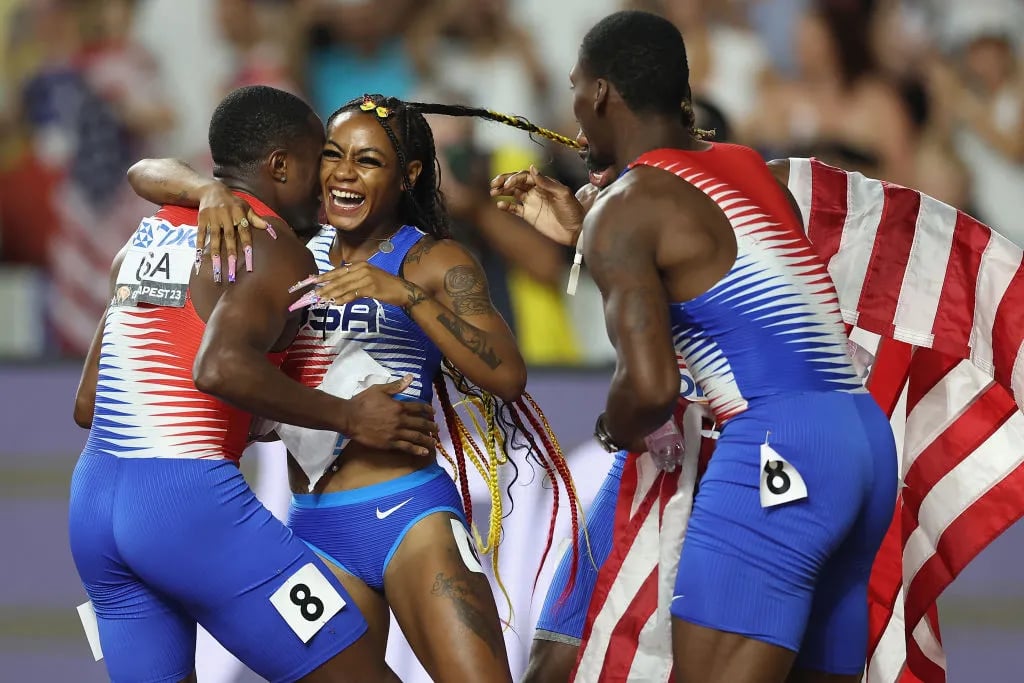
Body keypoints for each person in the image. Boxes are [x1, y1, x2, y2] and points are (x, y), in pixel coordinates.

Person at [495, 11, 898, 683]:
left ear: (598, 95)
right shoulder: (752, 170)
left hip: (776, 446)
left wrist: (610, 424)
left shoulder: (627, 208)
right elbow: (709, 280)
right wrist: (592, 229)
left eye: (575, 90)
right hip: (862, 443)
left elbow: (650, 391)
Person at [126, 93, 582, 683]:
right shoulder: (286, 247)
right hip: (313, 525)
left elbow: (507, 375)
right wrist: (208, 192)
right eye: (333, 155)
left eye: (367, 161)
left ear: (408, 175)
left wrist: (406, 297)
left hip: (409, 517)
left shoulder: (434, 261)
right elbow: (145, 173)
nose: (343, 173)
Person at [68, 85, 439, 683]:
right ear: (279, 166)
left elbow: (88, 403)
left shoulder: (145, 238)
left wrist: (259, 413)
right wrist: (347, 416)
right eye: (315, 162)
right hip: (187, 509)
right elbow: (217, 368)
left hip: (94, 507)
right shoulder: (271, 245)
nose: (323, 187)